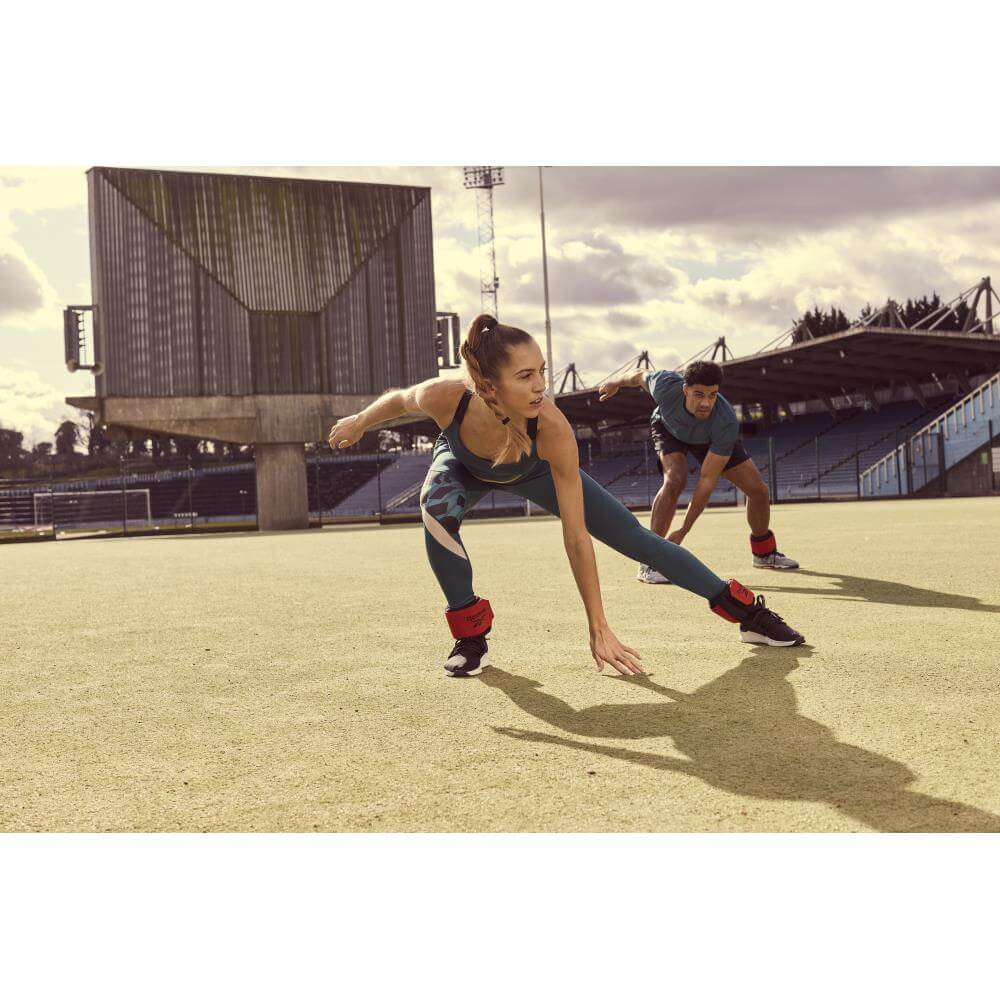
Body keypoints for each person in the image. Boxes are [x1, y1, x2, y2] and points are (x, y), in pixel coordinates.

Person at [328, 316, 805, 679]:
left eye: (542, 372)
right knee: (435, 509)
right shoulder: (445, 396)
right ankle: (471, 638)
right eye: (525, 376)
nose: (540, 386)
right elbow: (398, 400)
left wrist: (598, 625)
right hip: (463, 467)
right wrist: (358, 422)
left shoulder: (552, 429)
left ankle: (748, 613)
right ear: (489, 385)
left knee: (640, 542)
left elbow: (577, 539)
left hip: (536, 473)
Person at [598, 360, 799, 585]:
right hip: (669, 429)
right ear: (685, 390)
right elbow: (637, 375)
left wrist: (684, 529)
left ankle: (764, 554)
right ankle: (649, 560)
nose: (706, 403)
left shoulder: (725, 422)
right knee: (675, 479)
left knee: (759, 491)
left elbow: (706, 480)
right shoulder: (664, 385)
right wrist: (614, 382)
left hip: (710, 439)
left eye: (712, 395)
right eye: (699, 394)